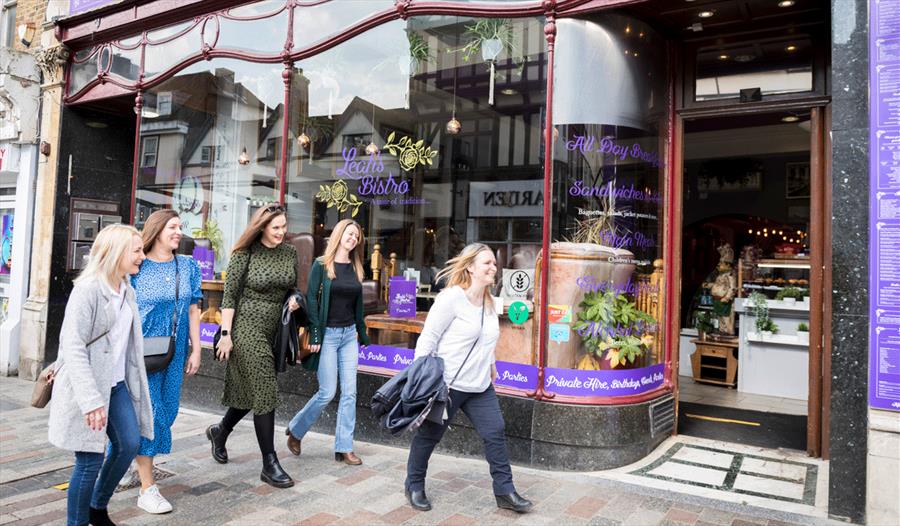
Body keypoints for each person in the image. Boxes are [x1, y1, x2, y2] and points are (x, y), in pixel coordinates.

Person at [404, 243, 533, 514]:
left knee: (495, 432)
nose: (493, 268)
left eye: (494, 264)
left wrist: (492, 363)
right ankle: (414, 485)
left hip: (480, 386)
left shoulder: (489, 300)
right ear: (471, 267)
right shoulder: (452, 298)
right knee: (429, 436)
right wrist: (419, 378)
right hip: (448, 385)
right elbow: (428, 338)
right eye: (487, 263)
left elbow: (487, 338)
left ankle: (505, 491)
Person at [47, 224, 154, 526]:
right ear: (116, 252)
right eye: (136, 250)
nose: (141, 256)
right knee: (89, 461)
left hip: (116, 384)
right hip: (88, 388)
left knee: (129, 444)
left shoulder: (126, 288)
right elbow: (73, 346)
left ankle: (97, 505)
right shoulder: (88, 290)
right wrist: (91, 401)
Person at [205, 205, 300, 488]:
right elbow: (230, 297)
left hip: (274, 330)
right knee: (265, 388)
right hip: (245, 327)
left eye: (284, 226)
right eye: (276, 228)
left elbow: (292, 286)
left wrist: (294, 299)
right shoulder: (243, 254)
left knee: (252, 392)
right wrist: (225, 334)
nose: (282, 232)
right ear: (261, 228)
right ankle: (269, 463)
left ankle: (220, 432)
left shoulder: (290, 252)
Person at [130, 210, 203, 514]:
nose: (178, 232)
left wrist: (197, 349)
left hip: (172, 352)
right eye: (173, 227)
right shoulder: (137, 265)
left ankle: (122, 457)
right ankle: (147, 488)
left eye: (180, 227)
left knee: (168, 411)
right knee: (151, 415)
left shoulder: (187, 266)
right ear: (157, 230)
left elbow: (193, 309)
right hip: (138, 351)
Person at [286, 219, 370, 465]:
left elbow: (358, 305)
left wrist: (362, 333)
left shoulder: (356, 267)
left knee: (350, 393)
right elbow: (311, 299)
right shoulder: (321, 265)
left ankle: (344, 447)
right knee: (327, 392)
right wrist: (314, 334)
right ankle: (296, 429)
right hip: (329, 336)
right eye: (349, 233)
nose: (353, 238)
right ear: (339, 234)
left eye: (357, 236)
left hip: (348, 335)